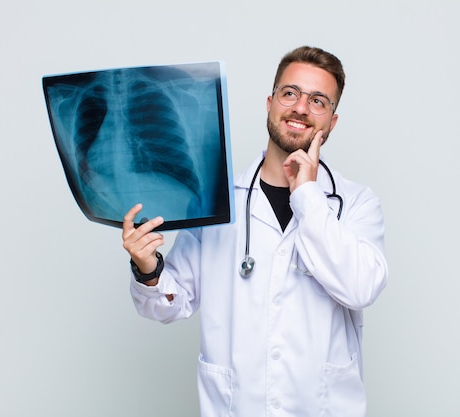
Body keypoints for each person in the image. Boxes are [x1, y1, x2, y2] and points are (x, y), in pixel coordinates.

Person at [122, 46, 388, 416]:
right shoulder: (216, 201)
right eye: (290, 93)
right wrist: (147, 268)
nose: (300, 108)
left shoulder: (356, 203)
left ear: (332, 121)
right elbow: (171, 304)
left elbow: (360, 288)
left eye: (318, 101)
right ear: (270, 103)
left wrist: (309, 196)